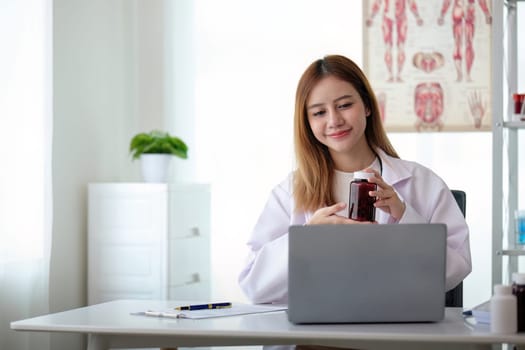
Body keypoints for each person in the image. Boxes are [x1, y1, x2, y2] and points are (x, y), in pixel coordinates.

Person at [238, 55, 472, 307]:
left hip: (396, 332)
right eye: (318, 112)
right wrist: (306, 240)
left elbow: (455, 270)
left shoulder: (422, 183)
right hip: (317, 337)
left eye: (344, 105)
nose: (334, 120)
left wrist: (404, 217)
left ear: (368, 106)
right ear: (307, 123)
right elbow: (253, 285)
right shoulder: (289, 192)